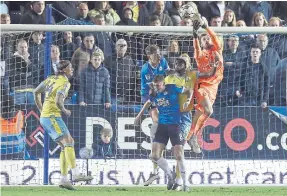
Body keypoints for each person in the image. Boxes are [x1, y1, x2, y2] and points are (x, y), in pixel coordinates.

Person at [33, 60, 93, 190]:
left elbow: (36, 91)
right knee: (69, 141)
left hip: (46, 116)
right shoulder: (65, 82)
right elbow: (58, 101)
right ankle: (76, 174)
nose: (72, 69)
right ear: (64, 69)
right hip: (52, 116)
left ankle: (64, 179)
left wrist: (41, 109)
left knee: (64, 146)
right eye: (70, 67)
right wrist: (65, 110)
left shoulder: (50, 79)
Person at [136, 74, 190, 191]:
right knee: (154, 155)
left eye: (159, 86)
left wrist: (187, 101)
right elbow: (149, 103)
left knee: (179, 155)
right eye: (155, 86)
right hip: (162, 126)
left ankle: (186, 184)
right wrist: (139, 116)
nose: (157, 88)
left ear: (164, 84)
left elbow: (188, 90)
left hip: (176, 125)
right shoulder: (154, 93)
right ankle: (171, 175)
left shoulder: (173, 88)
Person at [186, 14, 224, 153]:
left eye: (208, 38)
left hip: (213, 87)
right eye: (204, 39)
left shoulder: (217, 50)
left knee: (199, 115)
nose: (207, 40)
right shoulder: (201, 56)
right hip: (202, 86)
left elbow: (214, 37)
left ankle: (190, 137)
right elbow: (196, 49)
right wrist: (195, 35)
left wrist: (206, 27)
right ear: (201, 43)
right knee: (209, 110)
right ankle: (193, 137)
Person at [139, 44, 169, 185]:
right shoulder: (145, 69)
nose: (158, 55)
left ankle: (155, 172)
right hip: (149, 95)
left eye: (159, 52)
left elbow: (168, 78)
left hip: (162, 93)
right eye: (155, 53)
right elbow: (150, 89)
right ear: (148, 56)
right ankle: (160, 137)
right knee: (157, 120)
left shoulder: (163, 61)